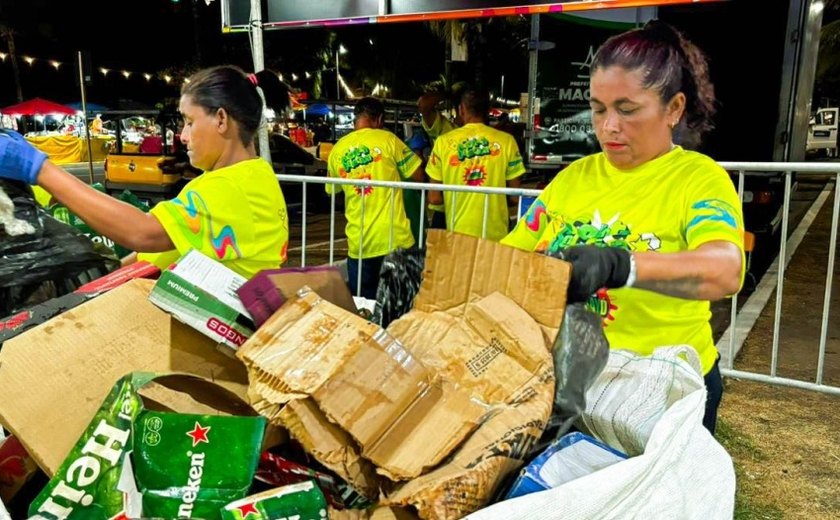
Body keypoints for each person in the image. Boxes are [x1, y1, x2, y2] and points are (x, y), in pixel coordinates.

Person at [502, 20, 744, 435]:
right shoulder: (574, 178)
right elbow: (511, 254)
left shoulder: (697, 179)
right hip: (577, 381)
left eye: (627, 110)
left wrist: (622, 266)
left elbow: (725, 269)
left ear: (674, 109)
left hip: (662, 389)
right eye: (598, 109)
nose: (609, 127)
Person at [0, 65, 291, 279]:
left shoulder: (230, 187)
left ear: (221, 120)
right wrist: (102, 282)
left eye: (189, 121)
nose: (183, 135)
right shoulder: (254, 174)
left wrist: (41, 169)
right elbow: (165, 250)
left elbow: (143, 233)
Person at [327, 97, 423, 299]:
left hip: (359, 241)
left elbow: (332, 191)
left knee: (364, 307)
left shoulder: (337, 150)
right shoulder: (388, 140)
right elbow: (418, 175)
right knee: (400, 304)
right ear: (379, 119)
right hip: (395, 238)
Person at [426, 88, 526, 241]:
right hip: (496, 234)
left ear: (461, 110)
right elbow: (515, 196)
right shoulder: (507, 141)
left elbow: (434, 198)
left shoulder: (443, 142)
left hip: (458, 233)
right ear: (488, 110)